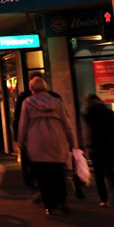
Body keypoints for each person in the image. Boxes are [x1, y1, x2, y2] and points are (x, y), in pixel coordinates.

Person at [17, 76, 78, 216]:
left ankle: (49, 205)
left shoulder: (28, 103)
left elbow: (23, 126)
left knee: (43, 176)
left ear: (32, 90)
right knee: (58, 174)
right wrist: (72, 143)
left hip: (36, 144)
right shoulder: (57, 102)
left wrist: (22, 144)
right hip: (57, 143)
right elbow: (67, 125)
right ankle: (62, 201)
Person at [83, 93, 114, 208]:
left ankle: (104, 199)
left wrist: (87, 146)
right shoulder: (109, 112)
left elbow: (87, 132)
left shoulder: (87, 114)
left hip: (95, 147)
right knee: (110, 170)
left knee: (99, 174)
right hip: (109, 145)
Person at [14, 76, 40, 191]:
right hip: (50, 138)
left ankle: (35, 183)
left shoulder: (25, 99)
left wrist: (18, 139)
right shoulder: (54, 98)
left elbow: (20, 120)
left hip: (30, 137)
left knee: (31, 162)